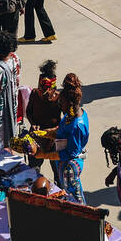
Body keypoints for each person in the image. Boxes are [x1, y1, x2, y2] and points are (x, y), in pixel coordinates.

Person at [32, 73, 89, 203]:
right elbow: (61, 130)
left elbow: (68, 154)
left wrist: (42, 154)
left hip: (70, 166)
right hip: (63, 163)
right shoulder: (70, 115)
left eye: (61, 103)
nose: (60, 105)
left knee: (74, 199)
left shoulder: (77, 126)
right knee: (64, 193)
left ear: (69, 104)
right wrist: (44, 133)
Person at [26, 60, 61, 172]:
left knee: (58, 171)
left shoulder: (59, 98)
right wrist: (33, 123)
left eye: (48, 90)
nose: (45, 93)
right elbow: (29, 111)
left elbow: (68, 118)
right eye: (43, 89)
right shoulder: (35, 93)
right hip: (37, 136)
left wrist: (57, 130)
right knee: (33, 170)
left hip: (54, 138)